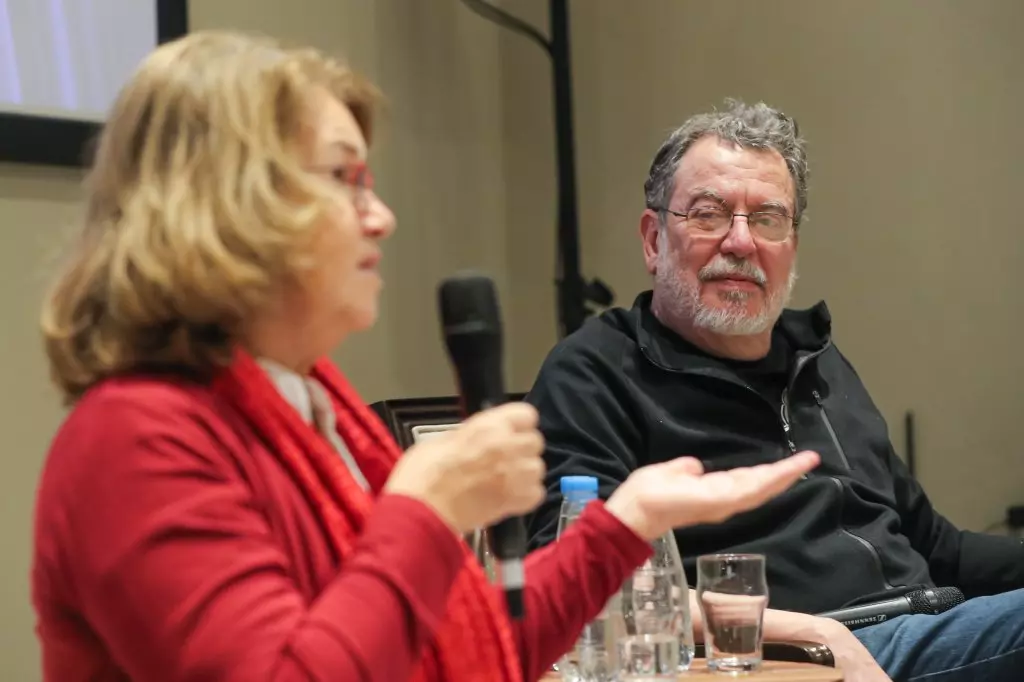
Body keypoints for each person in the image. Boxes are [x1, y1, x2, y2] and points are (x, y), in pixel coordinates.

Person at [30, 34, 819, 682]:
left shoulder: (314, 402)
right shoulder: (134, 438)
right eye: (346, 179)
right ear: (227, 202)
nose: (381, 215)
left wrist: (628, 521)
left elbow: (473, 651)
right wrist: (424, 509)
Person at [523, 98, 1024, 682]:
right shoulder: (595, 371)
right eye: (708, 214)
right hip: (790, 659)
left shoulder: (818, 359)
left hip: (928, 625)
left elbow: (939, 548)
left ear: (791, 244)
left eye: (767, 219)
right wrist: (811, 631)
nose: (741, 243)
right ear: (654, 239)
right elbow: (579, 585)